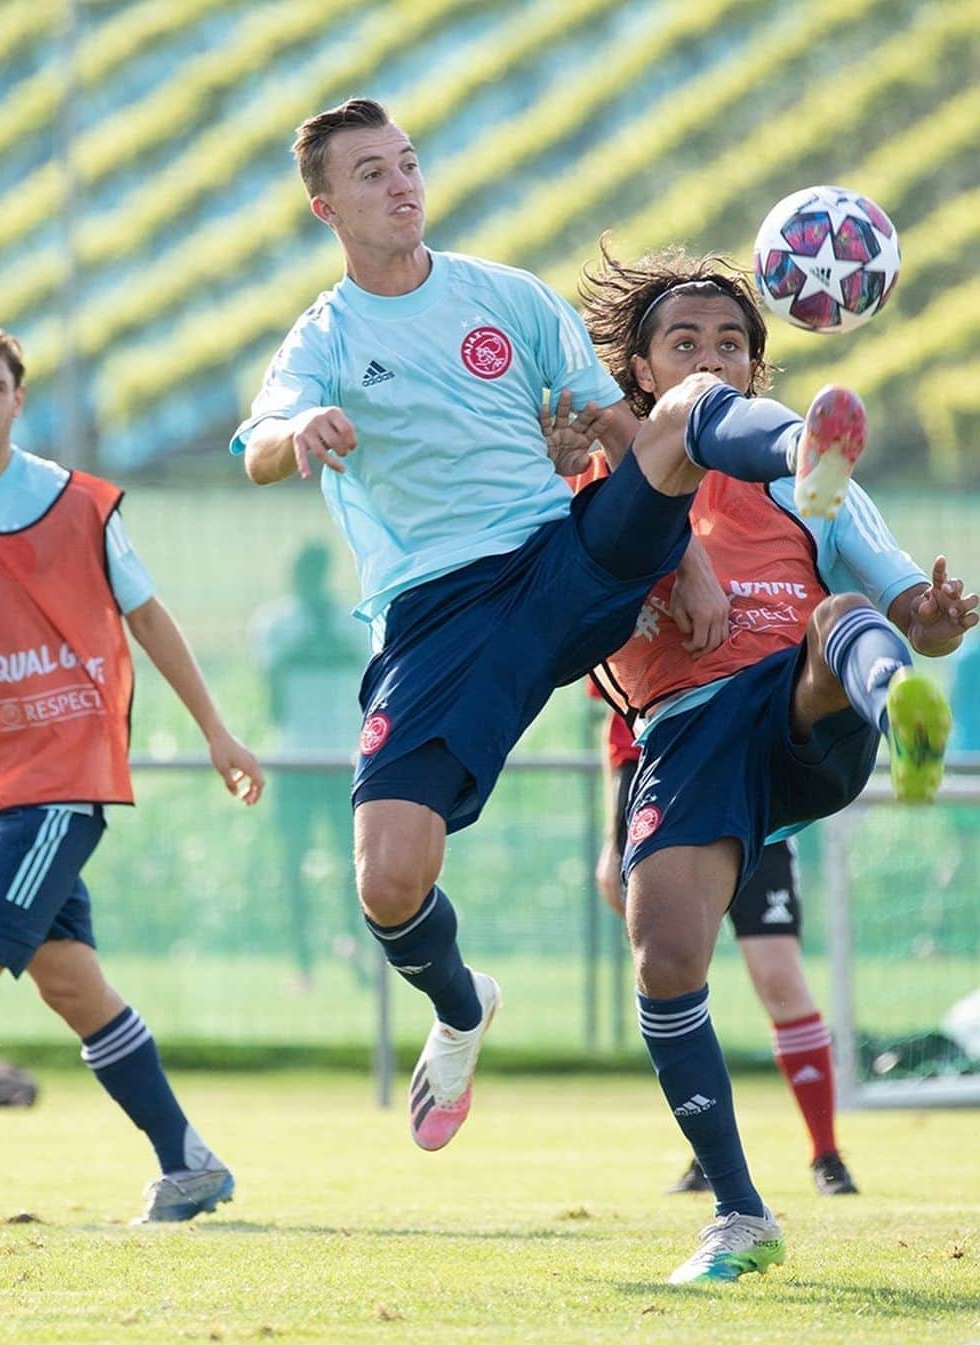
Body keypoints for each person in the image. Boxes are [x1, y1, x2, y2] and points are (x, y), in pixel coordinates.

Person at [233, 95, 875, 1242]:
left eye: (409, 163)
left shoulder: (507, 297)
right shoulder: (323, 336)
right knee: (388, 879)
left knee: (678, 411)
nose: (400, 183)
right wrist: (305, 432)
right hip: (438, 622)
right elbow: (261, 445)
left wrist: (672, 554)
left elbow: (615, 431)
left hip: (561, 560)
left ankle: (804, 452)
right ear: (328, 205)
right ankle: (462, 1002)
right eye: (370, 173)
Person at [554, 247, 974, 1282]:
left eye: (732, 344)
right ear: (641, 371)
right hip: (687, 736)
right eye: (684, 342)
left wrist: (935, 620)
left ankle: (902, 711)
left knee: (842, 614)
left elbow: (909, 606)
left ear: (755, 369)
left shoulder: (809, 480)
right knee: (666, 962)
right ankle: (741, 1212)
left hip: (801, 712)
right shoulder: (596, 484)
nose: (710, 357)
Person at [0, 312, 265, 1225]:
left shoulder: (77, 503)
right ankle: (189, 1162)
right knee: (70, 984)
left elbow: (150, 617)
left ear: (19, 400)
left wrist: (217, 730)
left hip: (63, 783)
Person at [594, 704, 857, 1197]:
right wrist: (614, 842)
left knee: (780, 978)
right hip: (673, 813)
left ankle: (826, 1154)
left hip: (757, 807)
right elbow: (623, 734)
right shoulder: (631, 628)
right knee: (679, 977)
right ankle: (710, 1155)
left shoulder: (765, 627)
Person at [250, 542, 369, 987]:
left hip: (342, 758)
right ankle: (303, 963)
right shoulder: (276, 624)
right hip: (294, 759)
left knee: (354, 863)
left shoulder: (350, 622)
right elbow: (273, 699)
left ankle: (355, 952)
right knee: (293, 861)